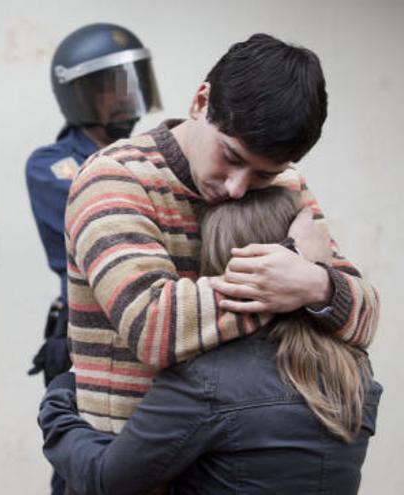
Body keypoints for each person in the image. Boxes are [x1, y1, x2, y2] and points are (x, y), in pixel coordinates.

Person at [60, 32, 378, 458]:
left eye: (263, 175)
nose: (236, 188)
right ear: (200, 101)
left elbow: (364, 315)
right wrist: (290, 270)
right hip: (127, 468)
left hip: (234, 470)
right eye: (231, 157)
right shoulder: (115, 178)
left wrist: (318, 288)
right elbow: (153, 327)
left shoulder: (289, 184)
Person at [39, 186, 382, 494]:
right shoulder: (355, 374)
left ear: (219, 263)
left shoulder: (205, 384)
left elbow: (106, 479)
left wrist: (58, 400)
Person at [24, 23, 161, 495]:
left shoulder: (150, 158)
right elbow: (115, 219)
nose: (125, 97)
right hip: (87, 345)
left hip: (147, 340)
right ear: (78, 94)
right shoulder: (54, 164)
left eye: (130, 81)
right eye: (108, 87)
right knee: (82, 471)